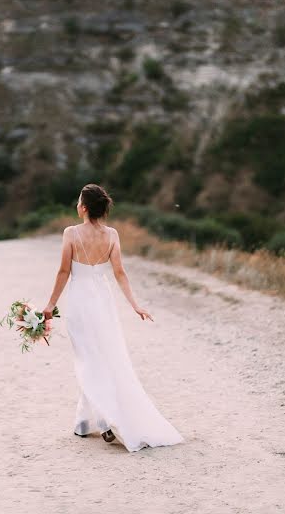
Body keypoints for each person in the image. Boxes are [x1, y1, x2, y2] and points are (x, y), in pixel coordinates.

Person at [42, 183, 184, 452]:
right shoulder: (112, 235)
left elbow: (63, 272)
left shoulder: (71, 233)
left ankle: (106, 420)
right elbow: (120, 273)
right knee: (100, 356)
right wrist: (135, 305)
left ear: (83, 207)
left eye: (78, 200)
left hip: (81, 299)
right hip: (103, 300)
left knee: (88, 358)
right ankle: (84, 423)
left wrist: (50, 304)